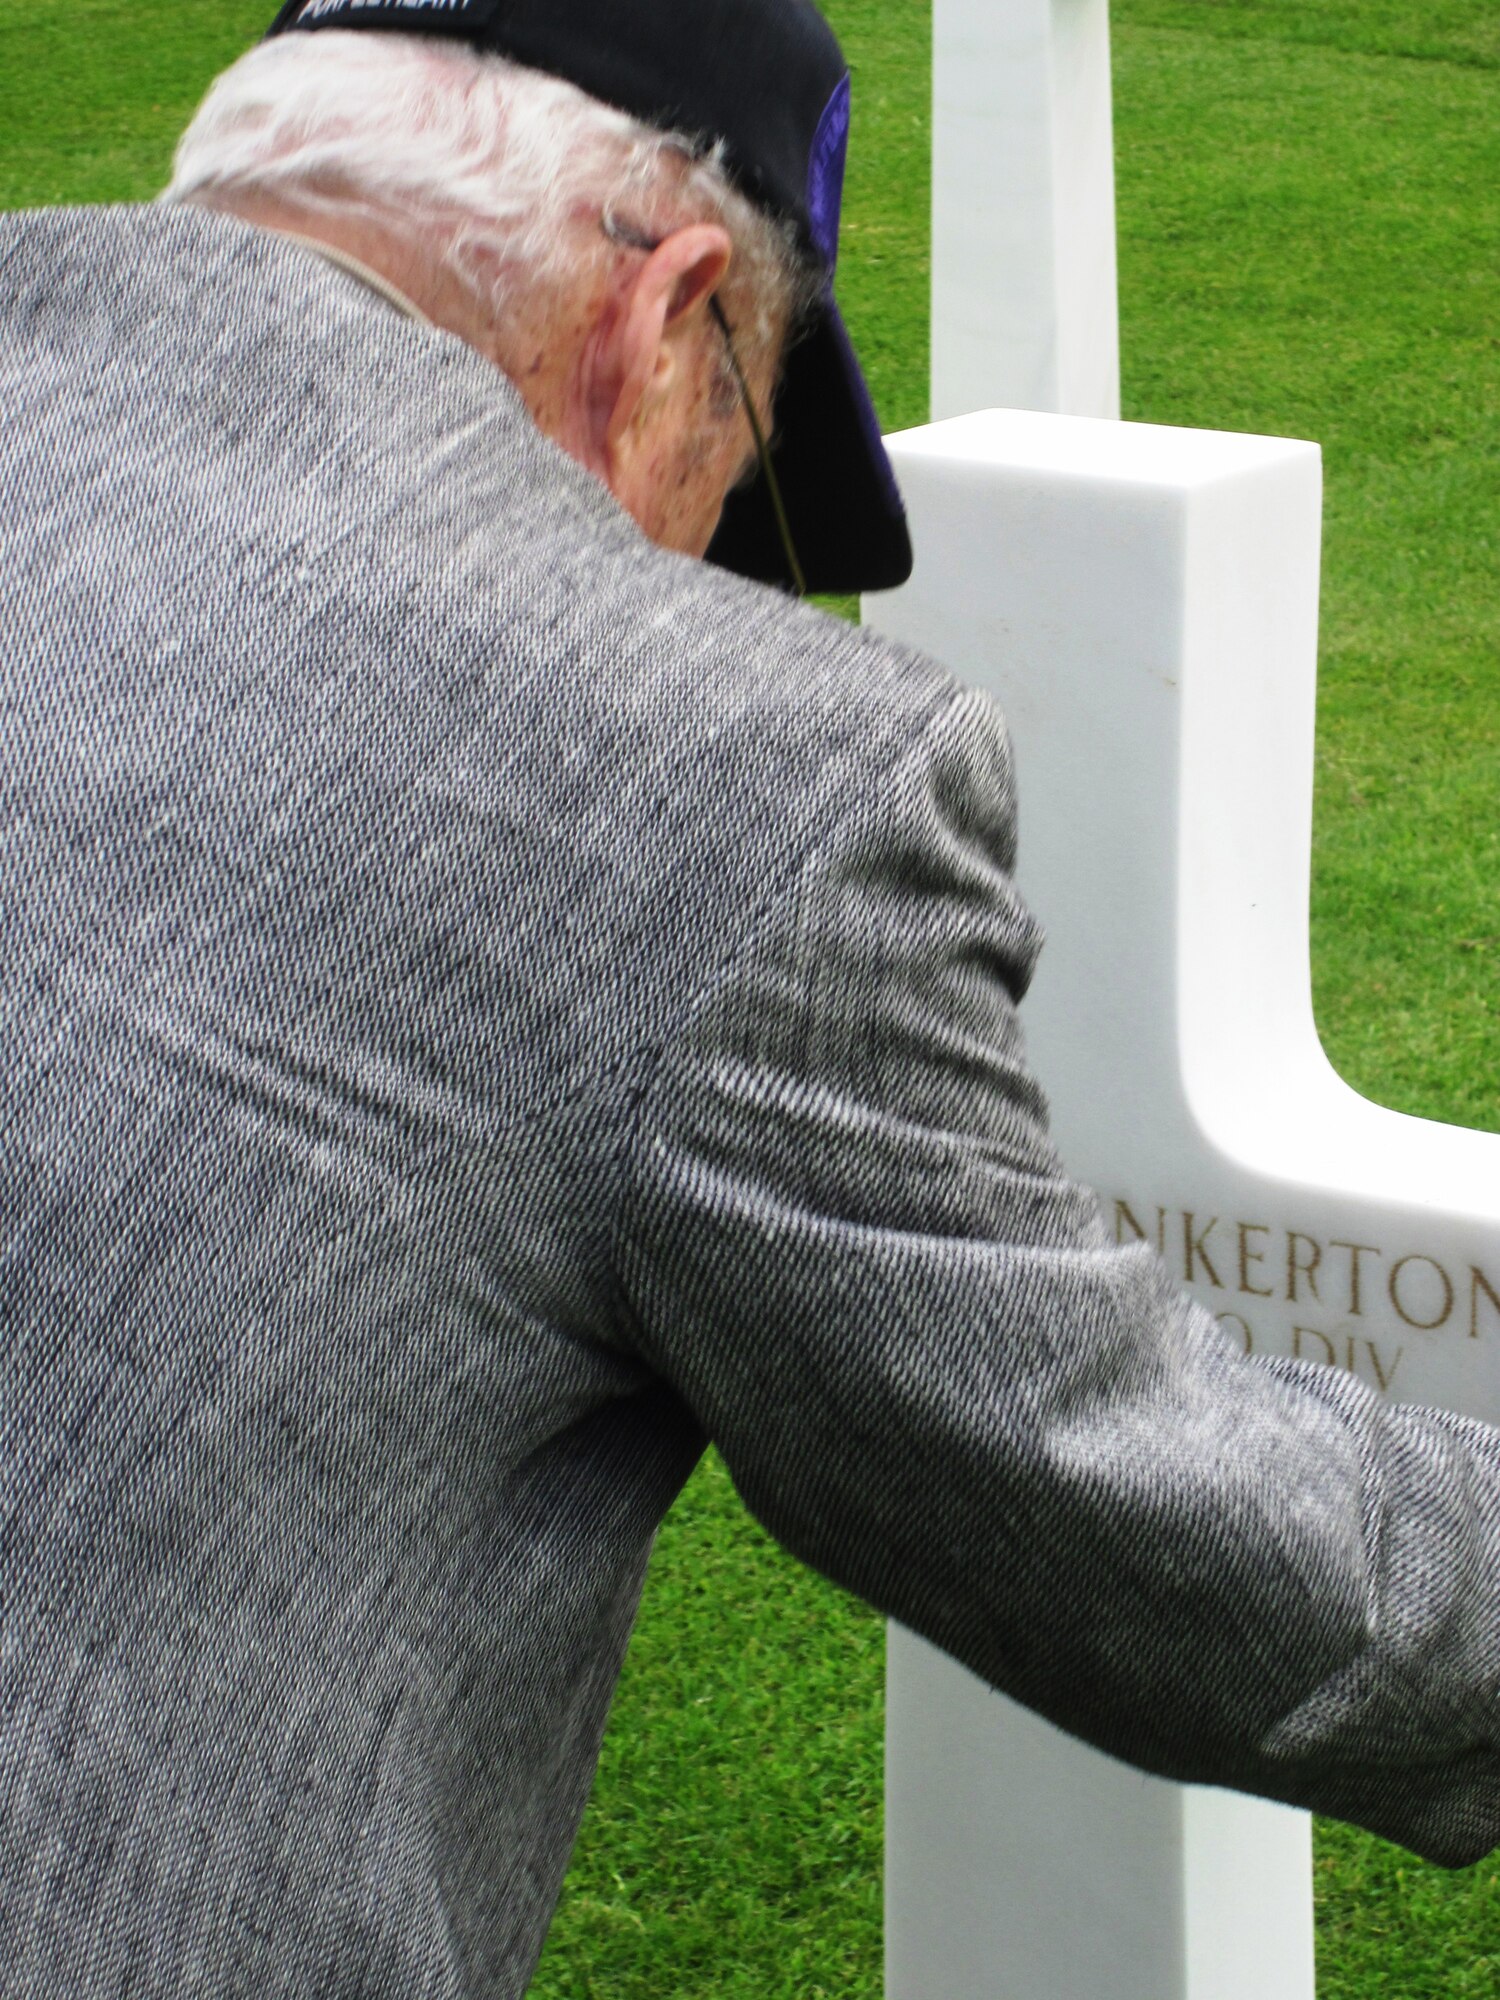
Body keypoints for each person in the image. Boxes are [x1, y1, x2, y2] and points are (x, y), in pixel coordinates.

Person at [1, 2, 1497, 1994]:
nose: (704, 556)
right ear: (669, 304)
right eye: (746, 441)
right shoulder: (706, 770)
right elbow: (1149, 1525)